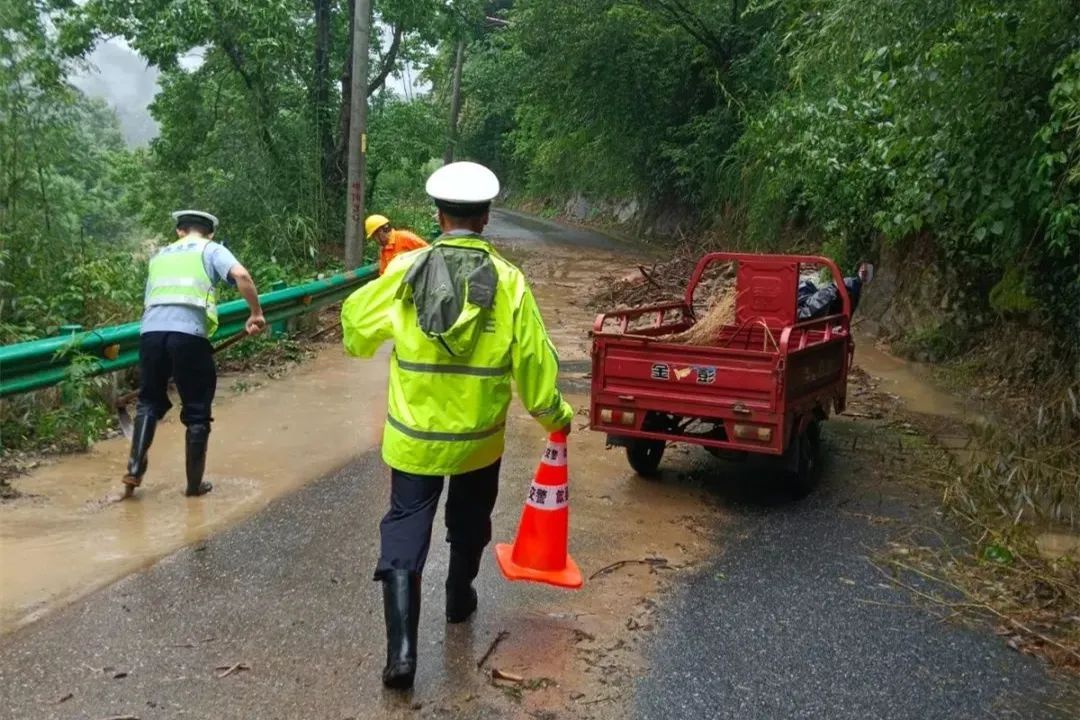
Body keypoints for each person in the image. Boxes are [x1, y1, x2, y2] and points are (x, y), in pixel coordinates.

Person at [341, 162, 573, 690]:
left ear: (438, 215)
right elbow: (536, 370)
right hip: (477, 441)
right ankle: (458, 599)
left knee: (405, 526)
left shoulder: (404, 271)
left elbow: (355, 330)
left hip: (413, 439)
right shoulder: (510, 283)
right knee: (469, 522)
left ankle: (401, 653)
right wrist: (555, 417)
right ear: (487, 217)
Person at [122, 210, 266, 498]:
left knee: (149, 401)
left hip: (150, 335)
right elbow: (241, 275)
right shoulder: (211, 249)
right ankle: (193, 485)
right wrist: (256, 313)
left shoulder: (160, 255)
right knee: (197, 411)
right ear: (209, 233)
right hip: (188, 336)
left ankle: (135, 468)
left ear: (179, 231)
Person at [797, 262, 874, 320]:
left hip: (805, 299)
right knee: (836, 290)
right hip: (804, 308)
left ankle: (850, 285)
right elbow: (808, 311)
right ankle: (852, 283)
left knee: (833, 294)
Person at [364, 214, 429, 275]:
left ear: (380, 232)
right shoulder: (383, 250)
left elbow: (429, 253)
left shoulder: (405, 237)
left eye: (374, 236)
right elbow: (384, 274)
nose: (375, 240)